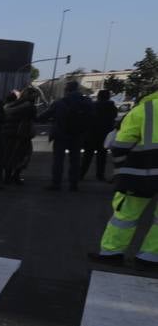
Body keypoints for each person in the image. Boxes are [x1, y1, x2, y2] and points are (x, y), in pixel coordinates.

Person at [90, 90, 157, 270]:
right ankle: (150, 258)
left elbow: (121, 143)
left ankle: (112, 252)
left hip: (141, 173)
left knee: (126, 214)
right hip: (143, 171)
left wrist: (120, 171)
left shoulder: (145, 109)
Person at [43, 80, 93, 191]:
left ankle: (56, 183)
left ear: (67, 90)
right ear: (77, 89)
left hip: (61, 135)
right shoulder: (87, 102)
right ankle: (74, 184)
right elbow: (92, 117)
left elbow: (44, 116)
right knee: (75, 161)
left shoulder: (60, 102)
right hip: (78, 135)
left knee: (58, 161)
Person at [80, 88, 118, 182]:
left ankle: (81, 174)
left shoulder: (93, 106)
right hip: (104, 135)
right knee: (102, 157)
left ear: (99, 96)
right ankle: (100, 175)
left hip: (91, 134)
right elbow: (113, 119)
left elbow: (87, 119)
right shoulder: (112, 107)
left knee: (87, 157)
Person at [2, 89, 37, 185]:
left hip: (7, 133)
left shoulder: (8, 105)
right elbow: (34, 118)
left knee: (9, 155)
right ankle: (16, 176)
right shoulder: (29, 106)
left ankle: (7, 177)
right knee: (23, 156)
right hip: (22, 134)